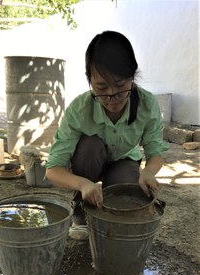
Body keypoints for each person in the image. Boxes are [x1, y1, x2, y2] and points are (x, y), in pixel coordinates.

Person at [45, 30, 169, 240]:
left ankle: (109, 219)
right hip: (90, 161)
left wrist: (148, 172)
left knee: (126, 192)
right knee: (90, 147)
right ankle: (81, 212)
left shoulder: (147, 104)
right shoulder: (79, 109)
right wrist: (83, 184)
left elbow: (155, 151)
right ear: (90, 81)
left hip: (124, 160)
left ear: (132, 77)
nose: (112, 98)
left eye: (121, 86)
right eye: (101, 88)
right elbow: (53, 170)